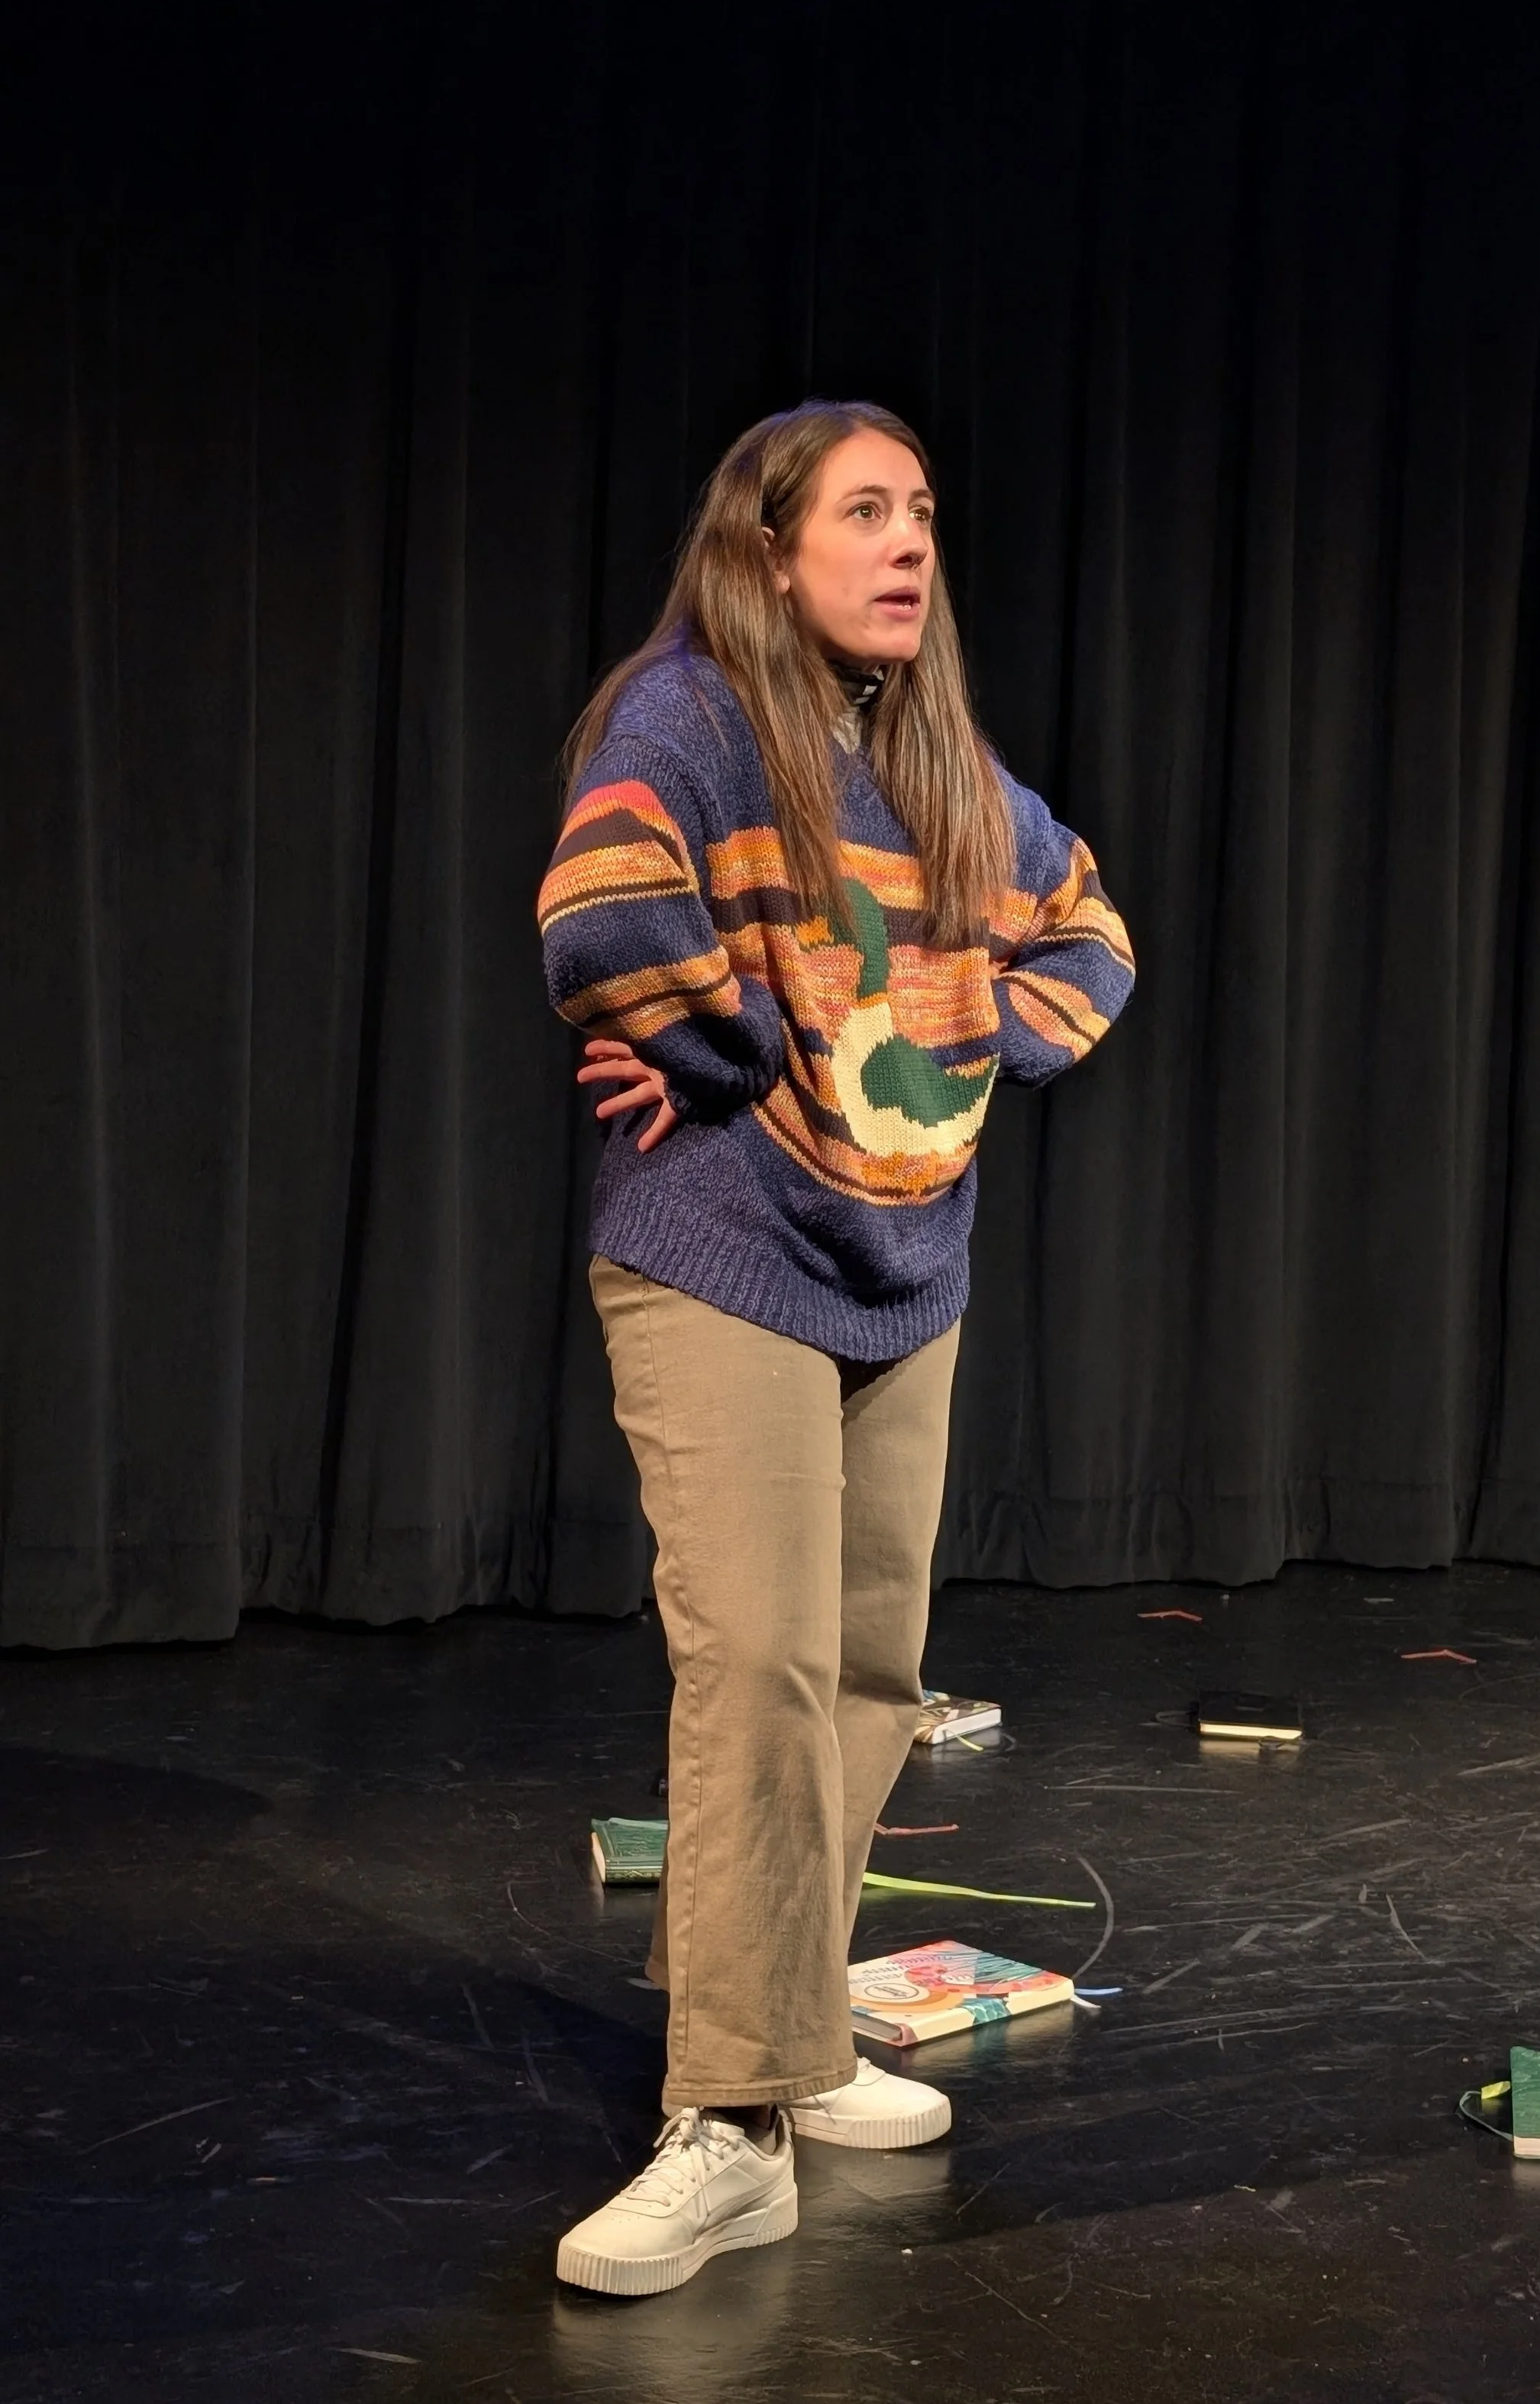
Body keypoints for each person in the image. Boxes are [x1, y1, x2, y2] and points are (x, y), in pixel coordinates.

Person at [536, 399, 1133, 2297]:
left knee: (870, 1667)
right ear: (768, 547)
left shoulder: (941, 758)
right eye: (866, 512)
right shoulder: (693, 716)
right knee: (764, 1667)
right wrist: (723, 1057)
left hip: (906, 1268)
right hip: (723, 1254)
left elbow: (1087, 932)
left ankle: (794, 2037)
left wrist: (970, 1040)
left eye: (925, 513)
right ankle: (725, 2123)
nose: (908, 544)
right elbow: (604, 911)